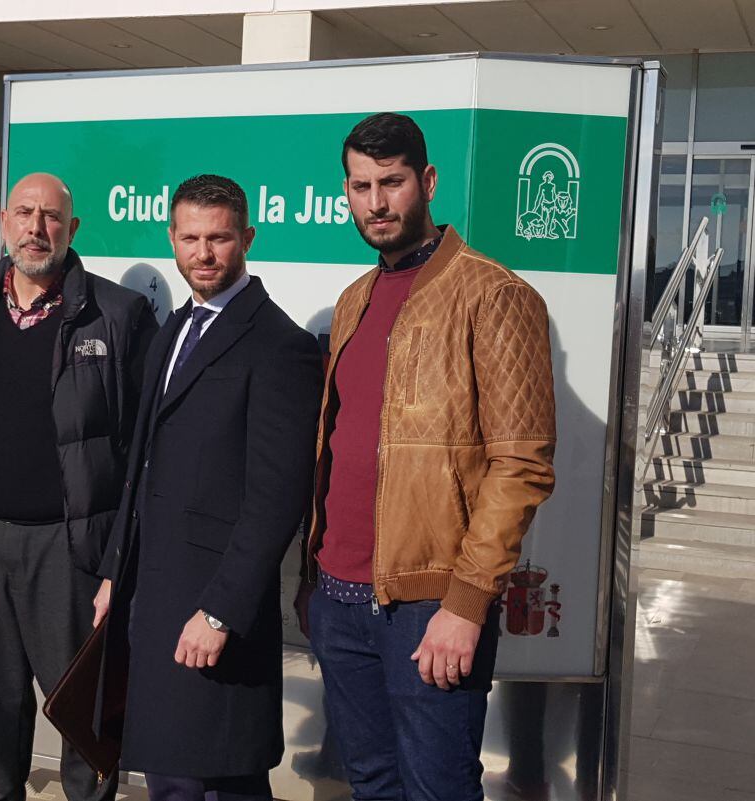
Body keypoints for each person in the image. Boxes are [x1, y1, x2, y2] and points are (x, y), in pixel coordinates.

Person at [294, 112, 557, 801]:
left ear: (428, 181)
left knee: (437, 788)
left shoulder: (493, 293)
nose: (376, 203)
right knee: (370, 782)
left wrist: (466, 603)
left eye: (393, 182)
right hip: (339, 593)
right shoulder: (353, 300)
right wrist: (312, 581)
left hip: (429, 603)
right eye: (360, 185)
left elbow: (521, 463)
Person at [0, 172, 158, 801]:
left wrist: (119, 558)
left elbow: (143, 448)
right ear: (3, 222)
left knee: (81, 717)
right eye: (24, 214)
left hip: (69, 548)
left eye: (51, 216)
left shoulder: (118, 315)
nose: (36, 228)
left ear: (72, 228)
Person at [93, 175, 323, 801]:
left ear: (247, 237)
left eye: (219, 238)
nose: (203, 253)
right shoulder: (171, 329)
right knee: (175, 776)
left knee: (218, 778)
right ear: (172, 238)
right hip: (154, 595)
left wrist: (221, 610)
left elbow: (276, 499)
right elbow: (141, 461)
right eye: (190, 238)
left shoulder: (282, 346)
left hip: (215, 608)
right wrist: (116, 571)